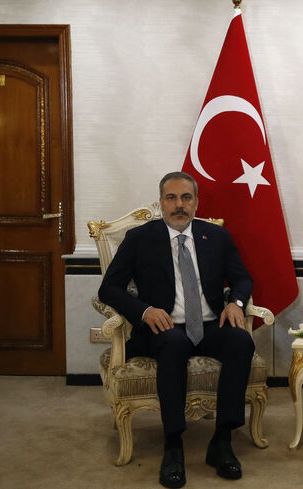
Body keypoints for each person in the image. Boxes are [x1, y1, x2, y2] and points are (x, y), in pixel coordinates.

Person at [98, 171, 254, 488]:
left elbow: (242, 278)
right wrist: (144, 310)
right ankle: (173, 446)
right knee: (173, 343)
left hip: (210, 324)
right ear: (161, 203)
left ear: (196, 202)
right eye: (171, 198)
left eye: (186, 197)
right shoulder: (140, 238)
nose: (179, 205)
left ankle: (222, 441)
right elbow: (109, 289)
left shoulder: (216, 236)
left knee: (241, 341)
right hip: (163, 329)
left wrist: (236, 303)